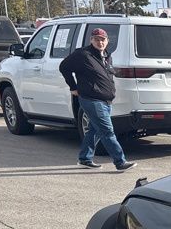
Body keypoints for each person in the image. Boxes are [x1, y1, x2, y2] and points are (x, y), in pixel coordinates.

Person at [58, 28, 135, 171]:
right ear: (91, 40)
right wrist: (73, 87)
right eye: (97, 39)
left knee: (94, 130)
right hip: (91, 99)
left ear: (107, 41)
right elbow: (64, 67)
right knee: (107, 131)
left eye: (103, 39)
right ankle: (120, 162)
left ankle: (85, 159)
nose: (100, 42)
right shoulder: (83, 54)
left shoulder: (106, 56)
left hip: (106, 100)